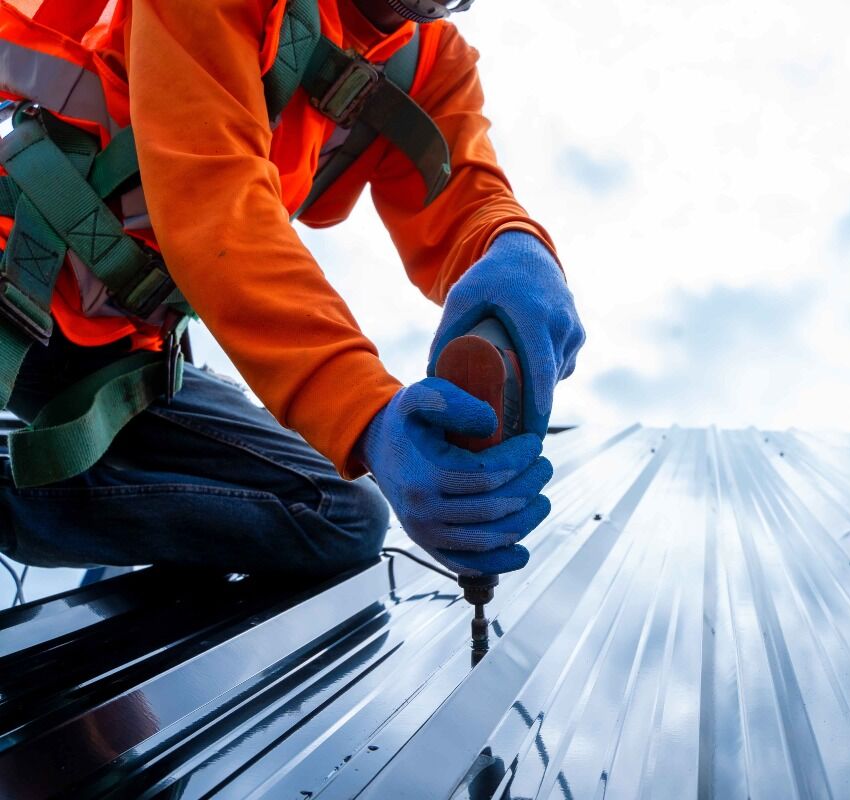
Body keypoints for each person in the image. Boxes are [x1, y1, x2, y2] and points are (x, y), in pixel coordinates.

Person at [0, 0, 585, 579]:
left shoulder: (430, 61)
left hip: (123, 349)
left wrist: (512, 247)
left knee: (339, 517)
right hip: (16, 283)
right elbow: (218, 203)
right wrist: (365, 408)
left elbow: (467, 196)